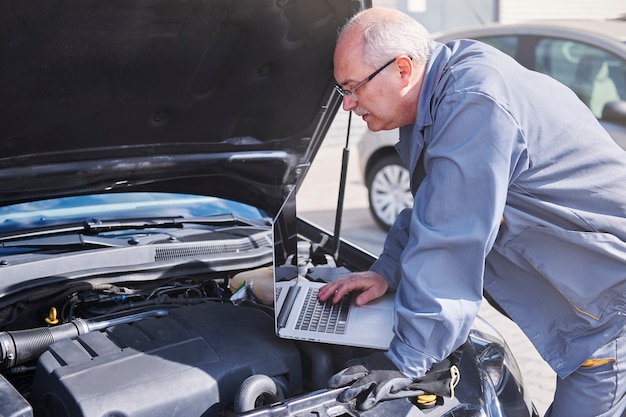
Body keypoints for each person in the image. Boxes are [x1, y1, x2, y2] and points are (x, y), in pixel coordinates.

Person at [317, 7, 626, 417]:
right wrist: (386, 269)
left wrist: (404, 361)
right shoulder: (445, 91)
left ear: (403, 70)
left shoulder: (472, 102)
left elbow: (450, 237)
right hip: (590, 302)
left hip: (608, 314)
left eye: (354, 87)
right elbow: (437, 204)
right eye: (343, 91)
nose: (348, 104)